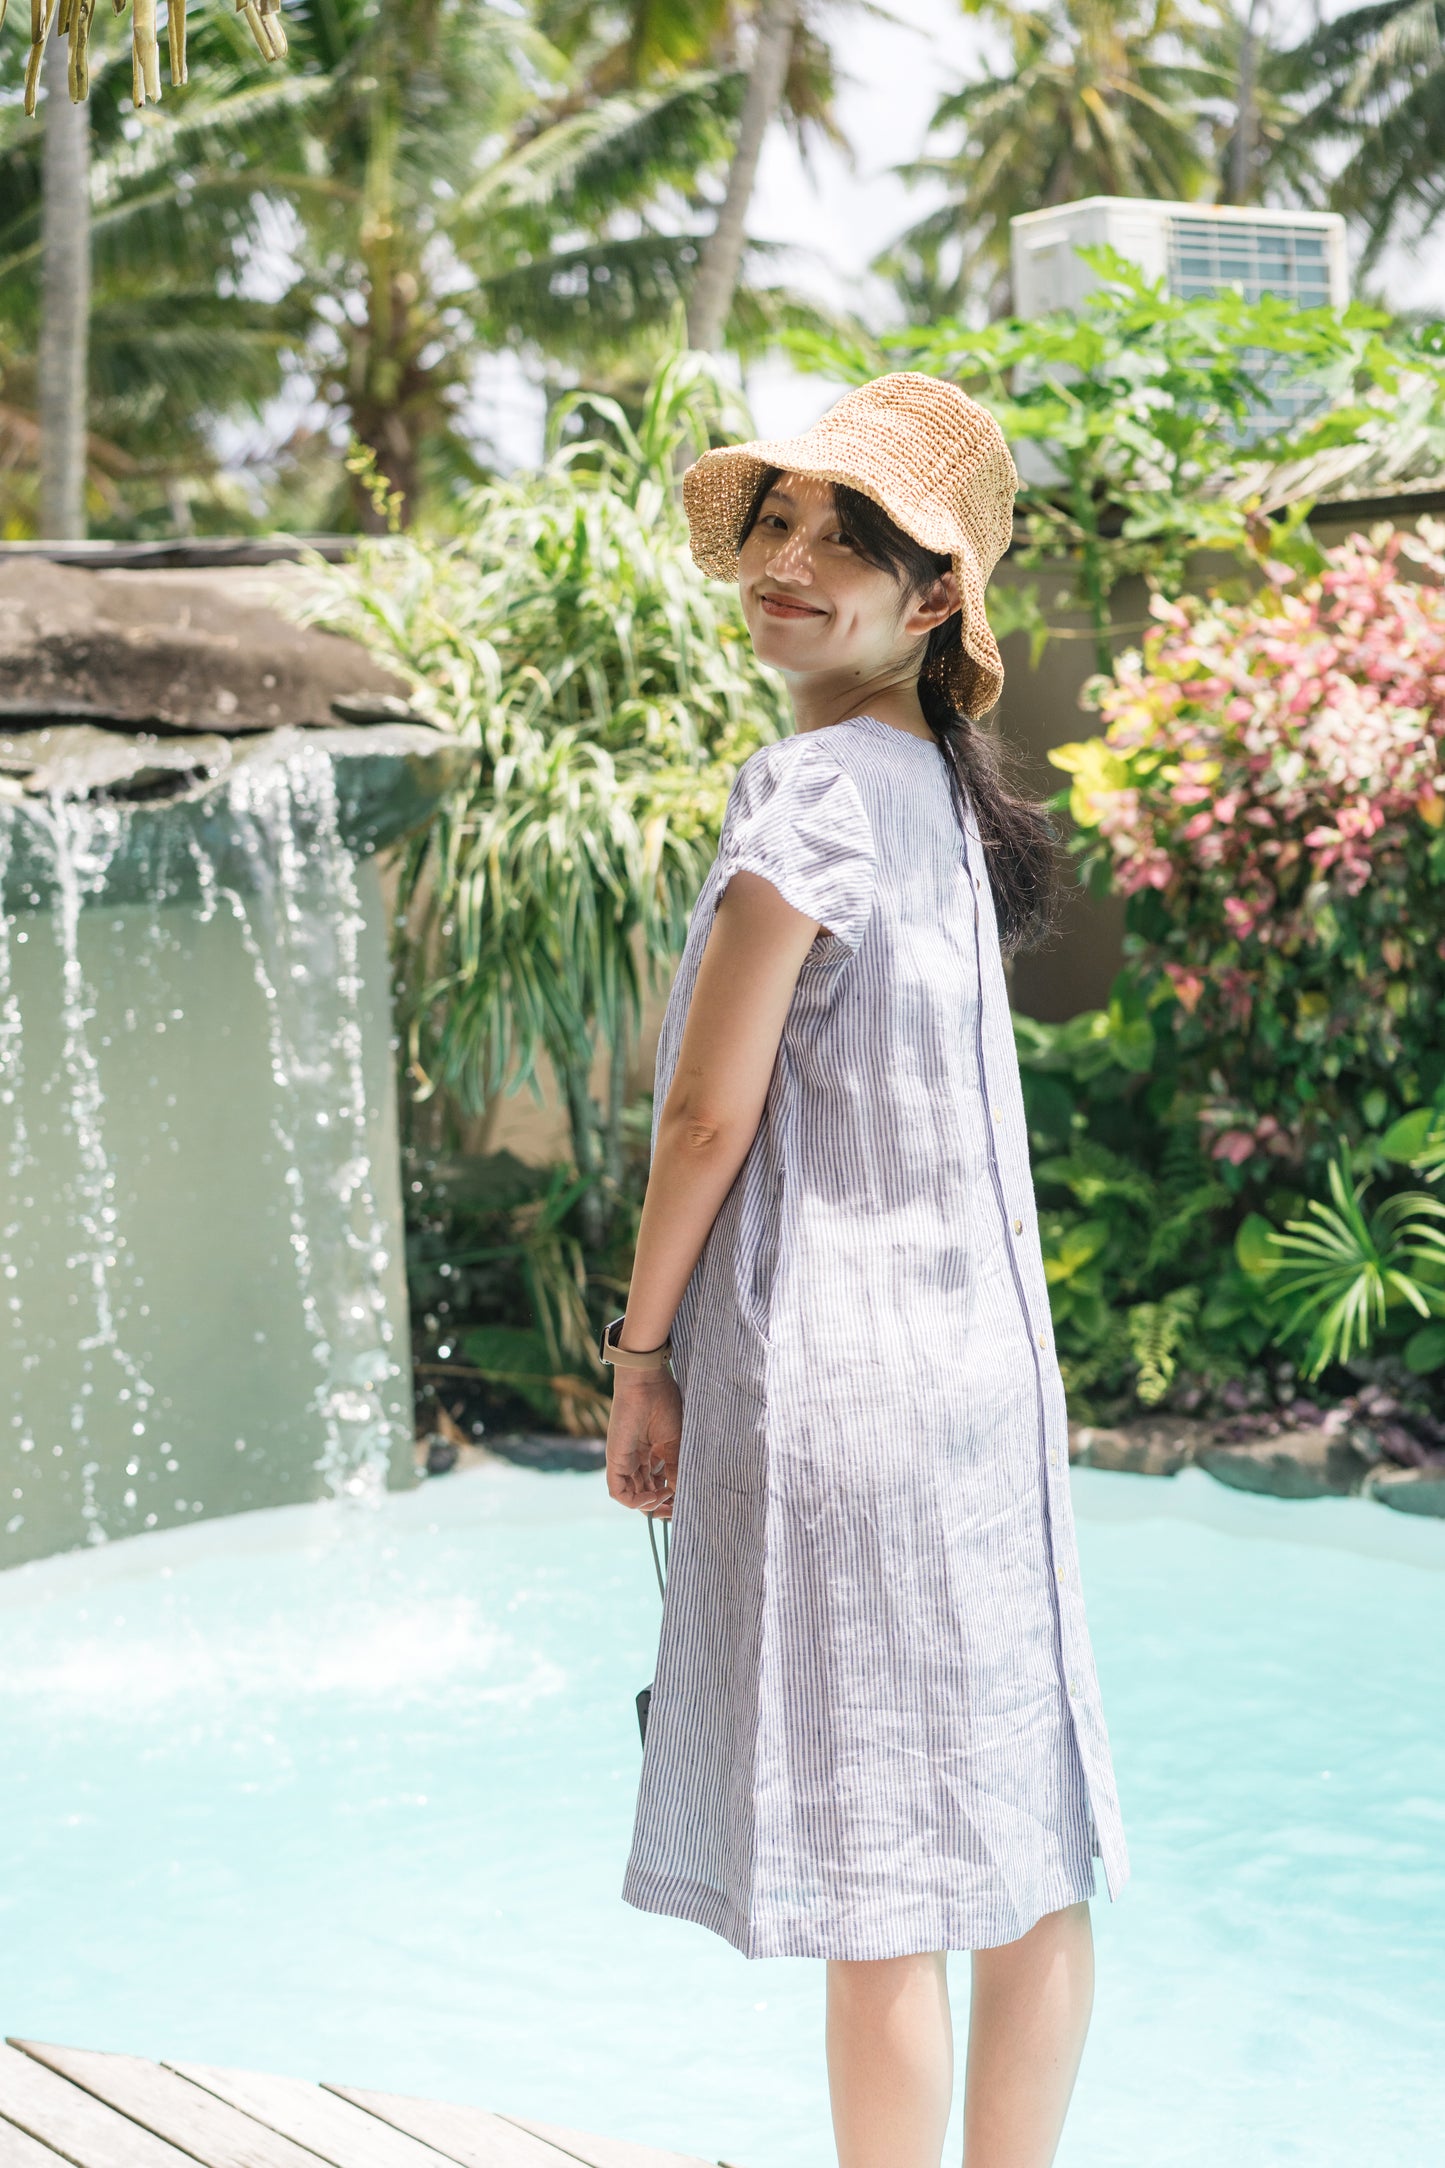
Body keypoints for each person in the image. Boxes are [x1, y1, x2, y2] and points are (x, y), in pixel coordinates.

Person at [602, 372, 1129, 2168]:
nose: (788, 561)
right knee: (1023, 1845)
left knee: (877, 1886)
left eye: (850, 538)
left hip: (836, 1385)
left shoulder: (811, 789)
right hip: (982, 1396)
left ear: (932, 604)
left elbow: (702, 1121)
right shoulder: (934, 807)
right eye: (778, 524)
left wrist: (637, 1354)